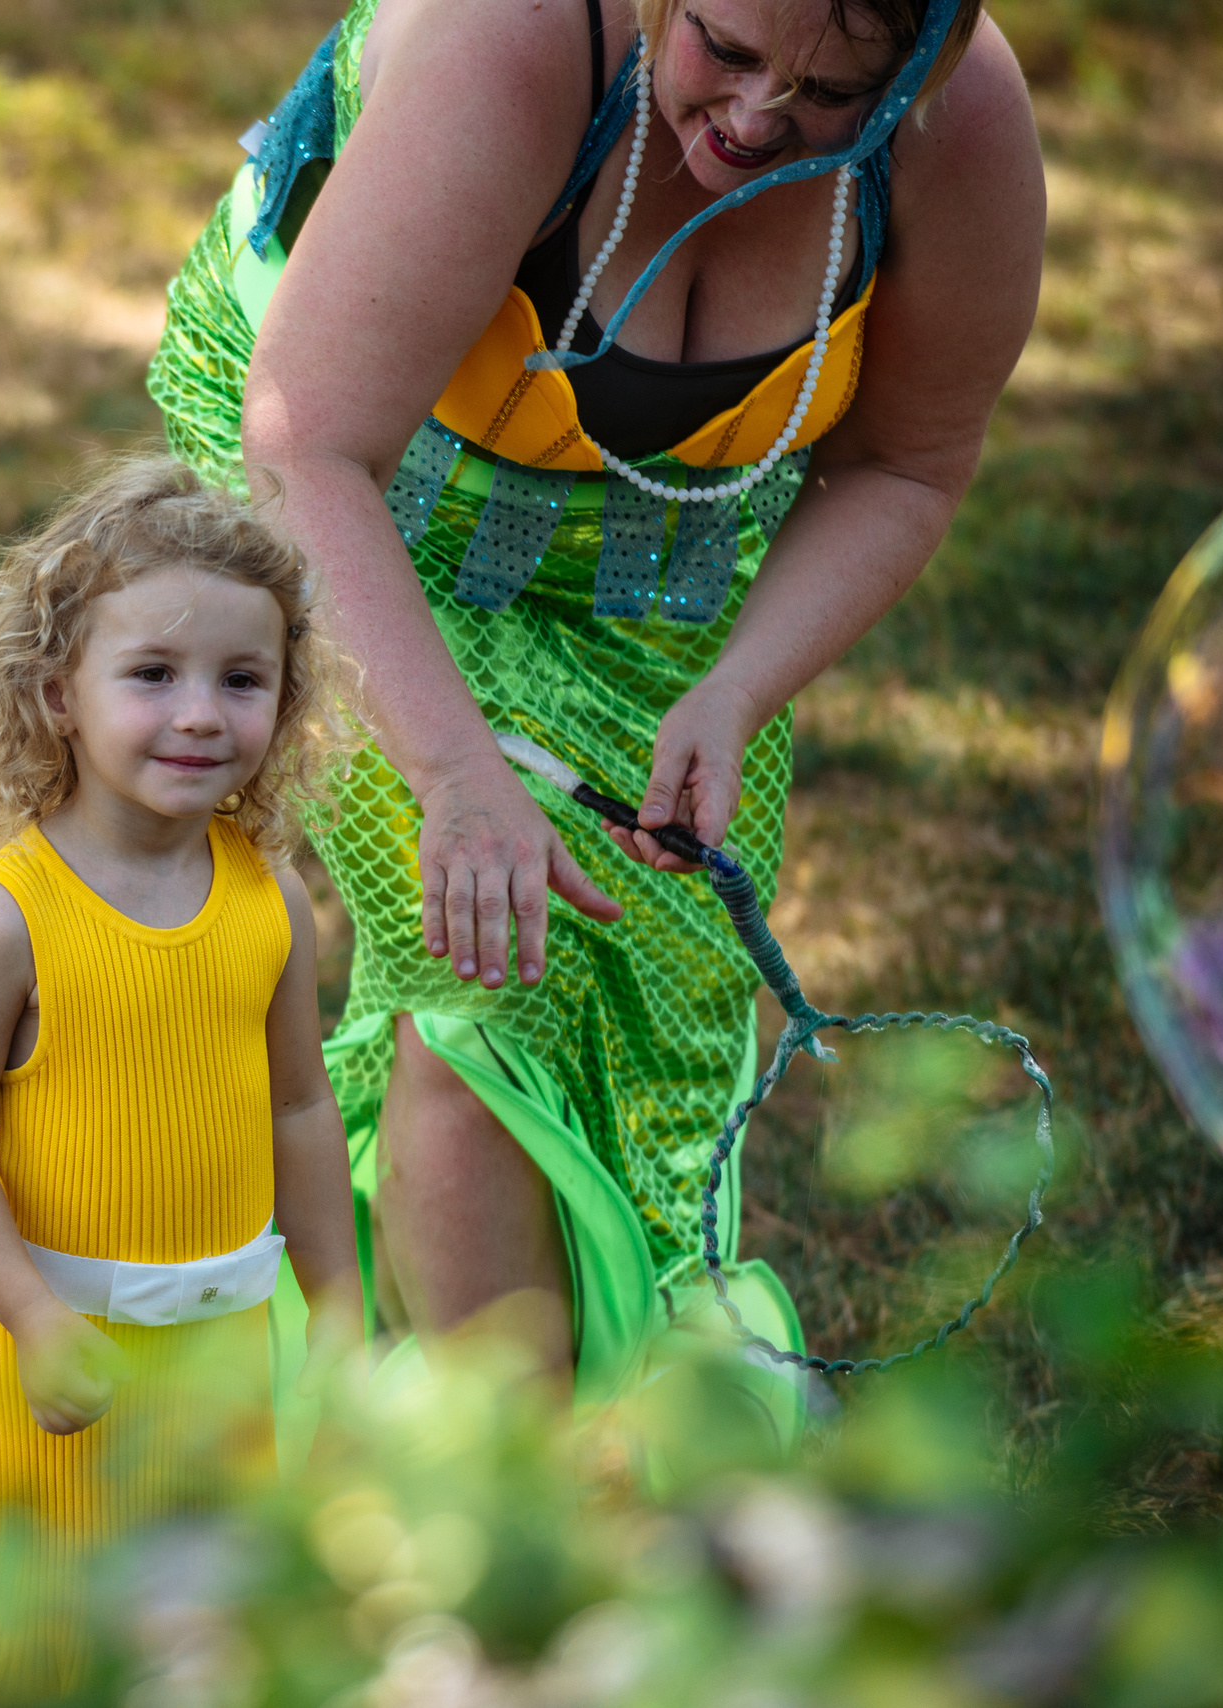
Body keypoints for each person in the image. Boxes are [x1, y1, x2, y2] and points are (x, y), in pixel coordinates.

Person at [148, 0, 1044, 1399]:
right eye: (727, 53)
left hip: (660, 547)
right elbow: (307, 446)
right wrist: (451, 772)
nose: (758, 121)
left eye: (828, 93)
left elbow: (908, 466)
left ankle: (593, 1400)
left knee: (658, 1020)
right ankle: (510, 1481)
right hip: (341, 488)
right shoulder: (516, 42)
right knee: (483, 966)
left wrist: (742, 687)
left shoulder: (957, 128)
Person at [0, 456, 364, 1701]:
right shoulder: (11, 919)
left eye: (241, 681)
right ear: (58, 694)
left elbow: (300, 1108)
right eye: (152, 675)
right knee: (33, 1621)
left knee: (200, 1622)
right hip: (66, 1355)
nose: (201, 714)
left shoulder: (267, 900)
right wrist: (33, 1315)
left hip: (225, 1352)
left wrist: (337, 1297)